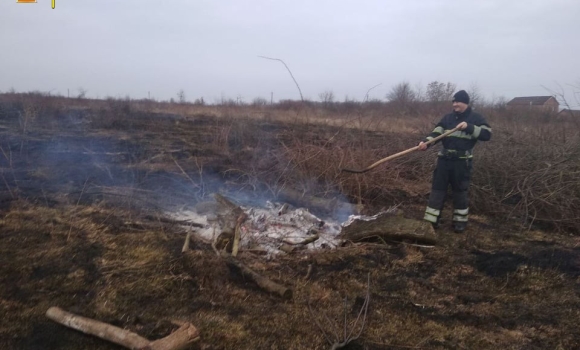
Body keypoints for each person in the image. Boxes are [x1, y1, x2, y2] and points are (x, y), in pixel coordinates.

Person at [418, 90, 492, 233]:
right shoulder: (448, 118)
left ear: (465, 103)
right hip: (444, 161)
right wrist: (426, 142)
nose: (455, 104)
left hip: (462, 162)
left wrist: (469, 127)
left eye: (457, 101)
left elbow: (487, 134)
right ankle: (431, 222)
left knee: (460, 192)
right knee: (437, 190)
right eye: (453, 102)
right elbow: (436, 133)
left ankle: (460, 223)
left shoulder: (476, 118)